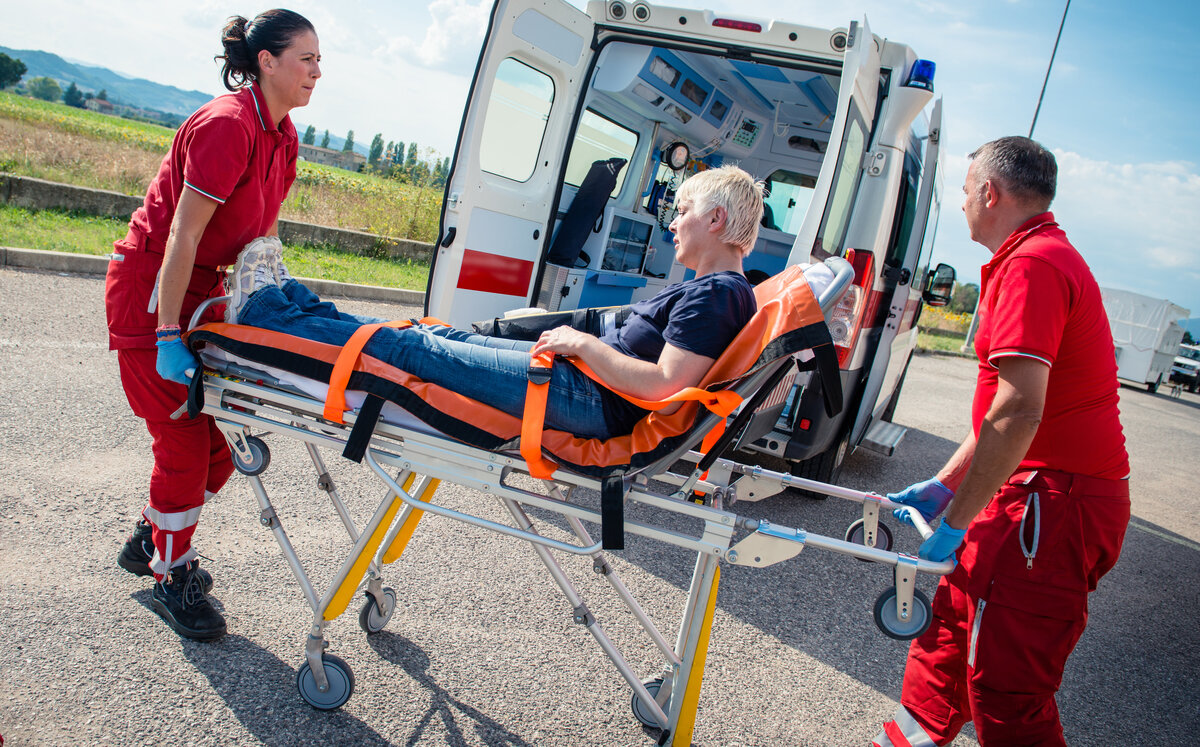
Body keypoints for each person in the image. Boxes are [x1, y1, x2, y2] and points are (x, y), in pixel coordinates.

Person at [872, 137, 1130, 746]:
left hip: (1052, 504)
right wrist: (947, 484)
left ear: (990, 193)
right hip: (1030, 495)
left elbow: (1019, 411)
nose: (962, 205)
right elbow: (997, 412)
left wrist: (957, 520)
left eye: (964, 192)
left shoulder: (1034, 265)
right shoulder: (1036, 258)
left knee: (1006, 689)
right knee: (944, 655)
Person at [223, 166, 763, 439]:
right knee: (435, 334)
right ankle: (290, 304)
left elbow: (665, 388)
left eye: (684, 210)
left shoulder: (717, 294)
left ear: (715, 220)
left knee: (407, 351)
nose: (673, 222)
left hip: (587, 398)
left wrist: (579, 345)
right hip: (578, 383)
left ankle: (262, 314)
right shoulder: (713, 289)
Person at [105, 9, 320, 641]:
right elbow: (183, 233)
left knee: (215, 464)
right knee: (181, 445)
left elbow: (263, 238)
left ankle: (150, 537)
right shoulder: (228, 126)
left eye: (318, 61)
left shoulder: (283, 136)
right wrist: (169, 333)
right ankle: (172, 575)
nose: (315, 71)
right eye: (304, 59)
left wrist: (272, 304)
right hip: (154, 293)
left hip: (204, 294)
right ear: (266, 62)